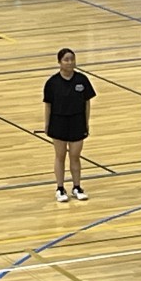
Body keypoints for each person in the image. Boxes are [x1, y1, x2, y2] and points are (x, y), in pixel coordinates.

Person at [43, 48, 96, 202]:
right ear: (59, 62)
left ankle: (77, 187)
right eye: (66, 60)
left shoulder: (82, 80)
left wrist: (86, 122)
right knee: (60, 156)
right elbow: (48, 105)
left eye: (72, 59)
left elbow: (87, 103)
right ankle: (60, 188)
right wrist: (47, 124)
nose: (70, 62)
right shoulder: (52, 83)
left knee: (75, 156)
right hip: (58, 122)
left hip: (77, 121)